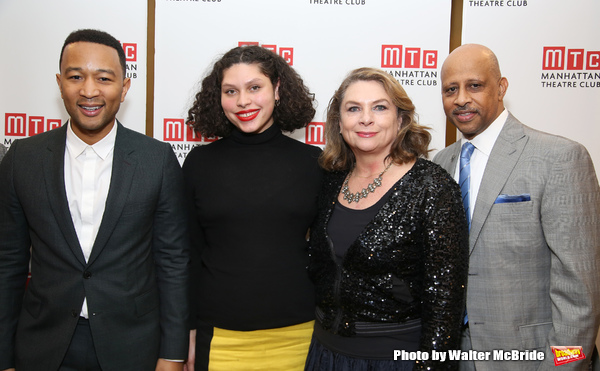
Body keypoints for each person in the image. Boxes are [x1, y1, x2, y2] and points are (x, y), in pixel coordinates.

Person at [0, 29, 190, 371]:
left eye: (104, 78)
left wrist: (172, 354)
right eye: (76, 77)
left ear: (124, 86)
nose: (89, 91)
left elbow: (173, 262)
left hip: (133, 347)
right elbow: (8, 264)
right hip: (42, 346)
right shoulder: (22, 159)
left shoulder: (156, 160)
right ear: (59, 83)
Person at [433, 43, 600, 371]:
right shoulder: (442, 161)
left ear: (501, 87)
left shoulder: (559, 158)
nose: (462, 98)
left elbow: (579, 293)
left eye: (475, 85)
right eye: (451, 89)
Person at [305, 67, 468, 371]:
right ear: (340, 124)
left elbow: (445, 304)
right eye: (354, 108)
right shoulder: (330, 180)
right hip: (326, 353)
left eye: (379, 107)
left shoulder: (432, 186)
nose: (366, 118)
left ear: (401, 120)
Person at [182, 45, 322, 370]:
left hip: (299, 335)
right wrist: (185, 333)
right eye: (231, 91)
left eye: (254, 87)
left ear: (277, 89)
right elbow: (186, 255)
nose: (243, 101)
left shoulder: (314, 162)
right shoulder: (199, 164)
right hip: (219, 336)